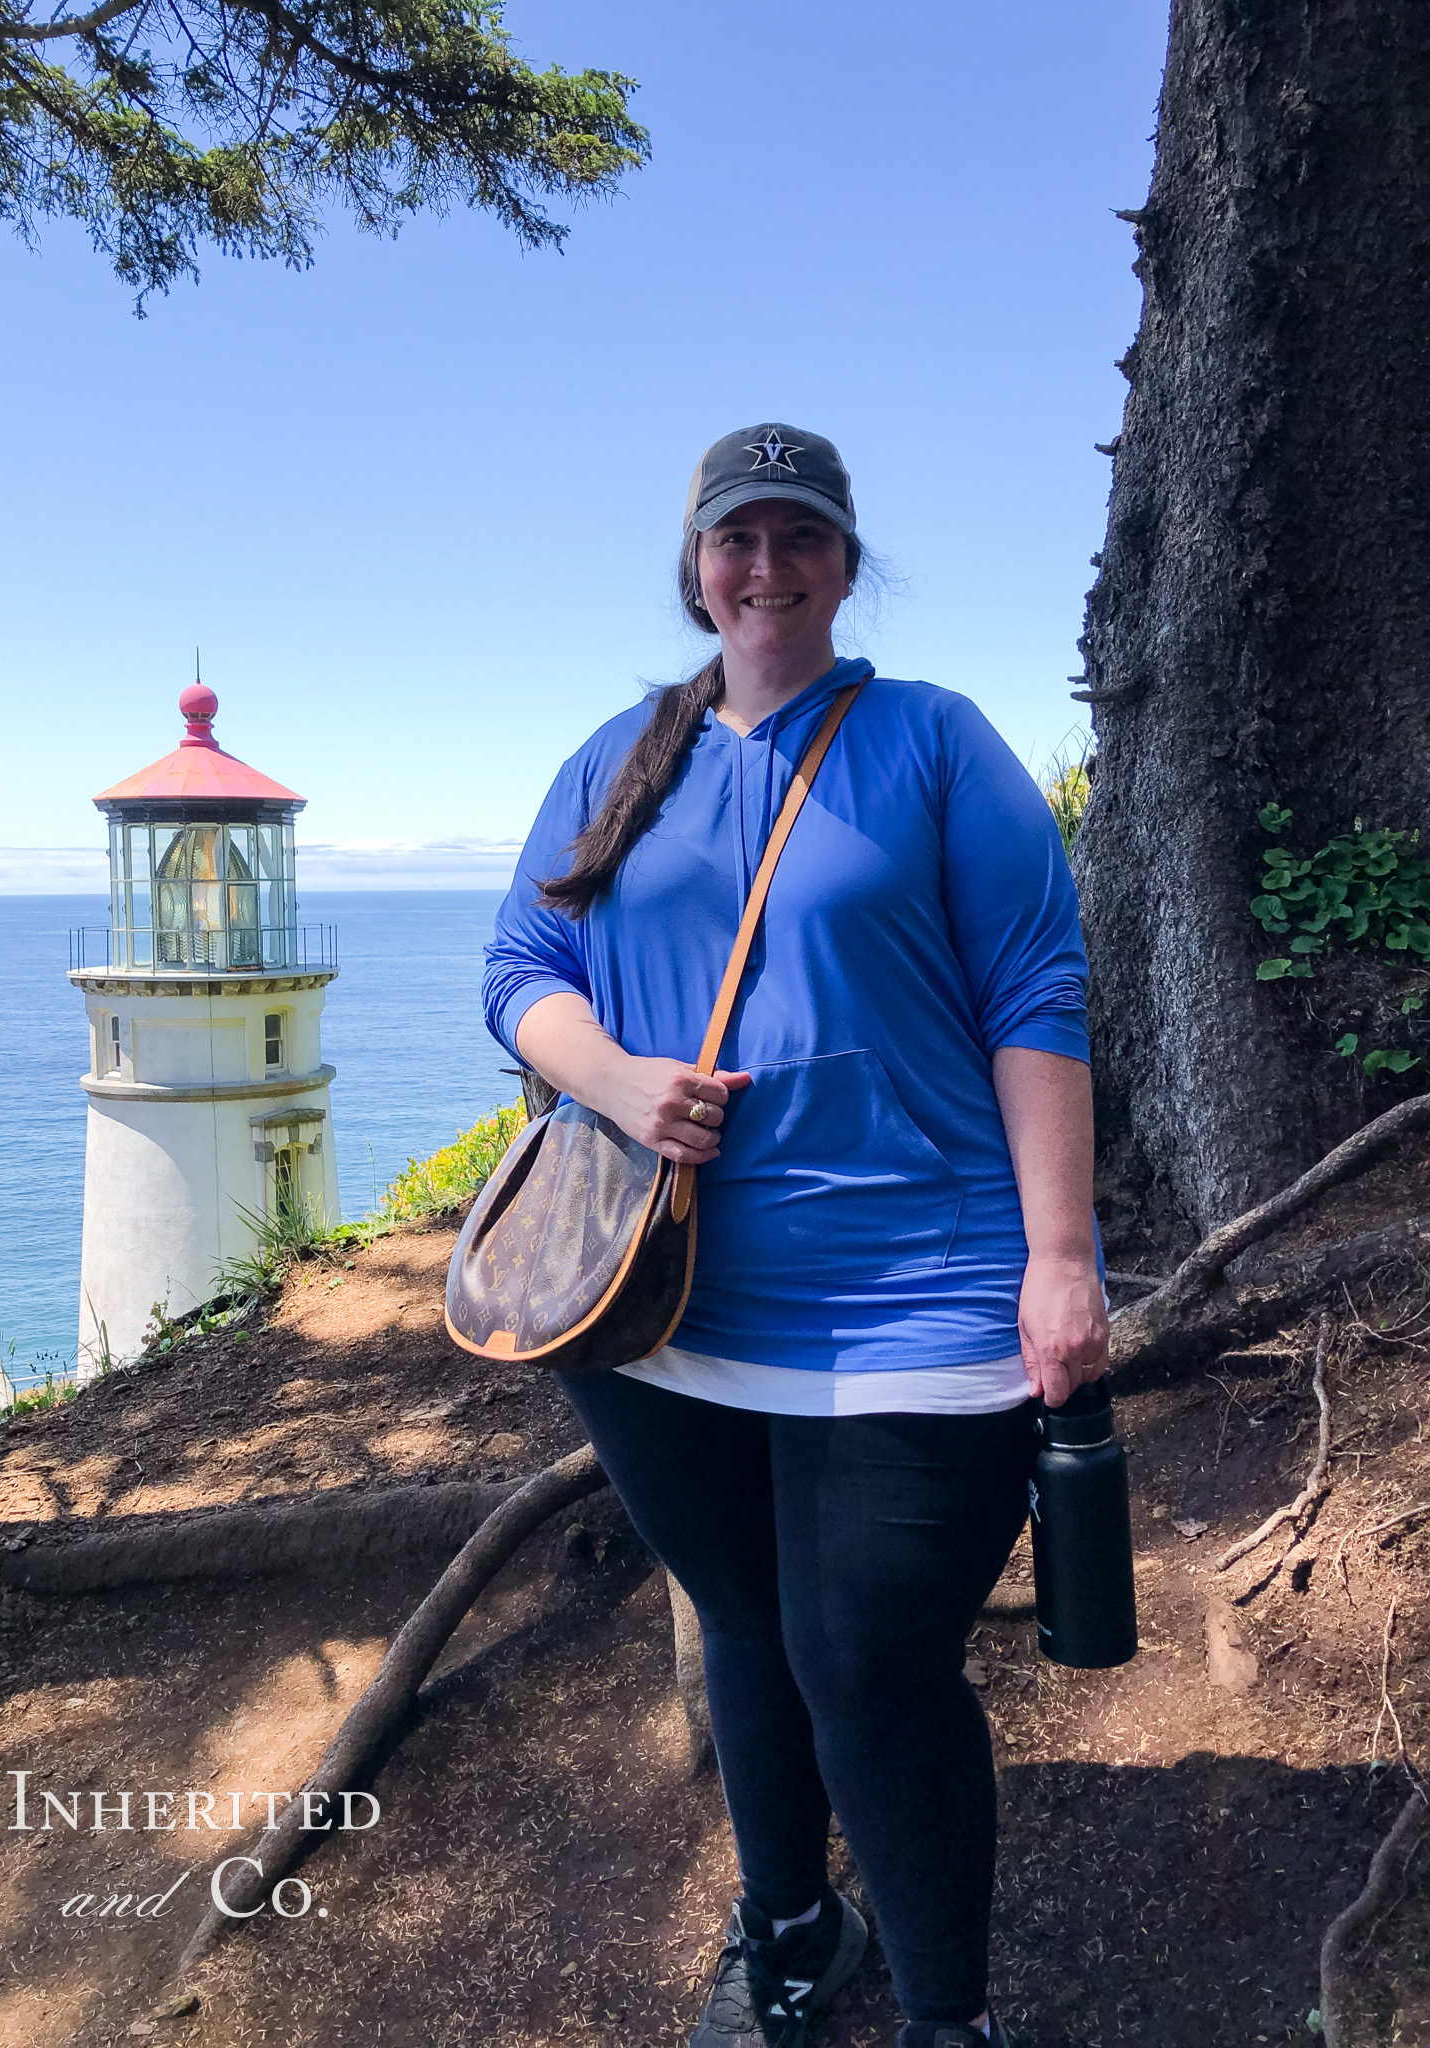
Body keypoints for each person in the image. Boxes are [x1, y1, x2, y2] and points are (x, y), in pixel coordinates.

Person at [482, 423, 1110, 2048]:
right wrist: (616, 1079)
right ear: (697, 568)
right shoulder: (624, 756)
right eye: (736, 538)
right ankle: (789, 1935)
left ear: (845, 561)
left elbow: (1038, 988)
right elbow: (516, 972)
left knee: (869, 1664)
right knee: (750, 1625)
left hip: (918, 1290)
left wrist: (1061, 1257)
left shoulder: (931, 743)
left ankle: (946, 2019)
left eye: (800, 536)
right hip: (659, 1306)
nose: (767, 567)